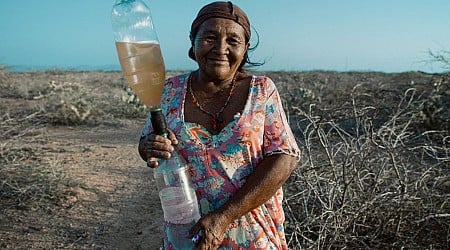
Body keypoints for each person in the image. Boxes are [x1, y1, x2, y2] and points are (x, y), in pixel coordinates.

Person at [138, 1, 300, 249]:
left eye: (233, 41)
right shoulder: (170, 91)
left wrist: (225, 216)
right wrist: (150, 147)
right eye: (210, 37)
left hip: (253, 235)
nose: (220, 48)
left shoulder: (262, 91)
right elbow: (147, 142)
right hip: (188, 233)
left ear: (245, 48)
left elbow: (284, 157)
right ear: (193, 41)